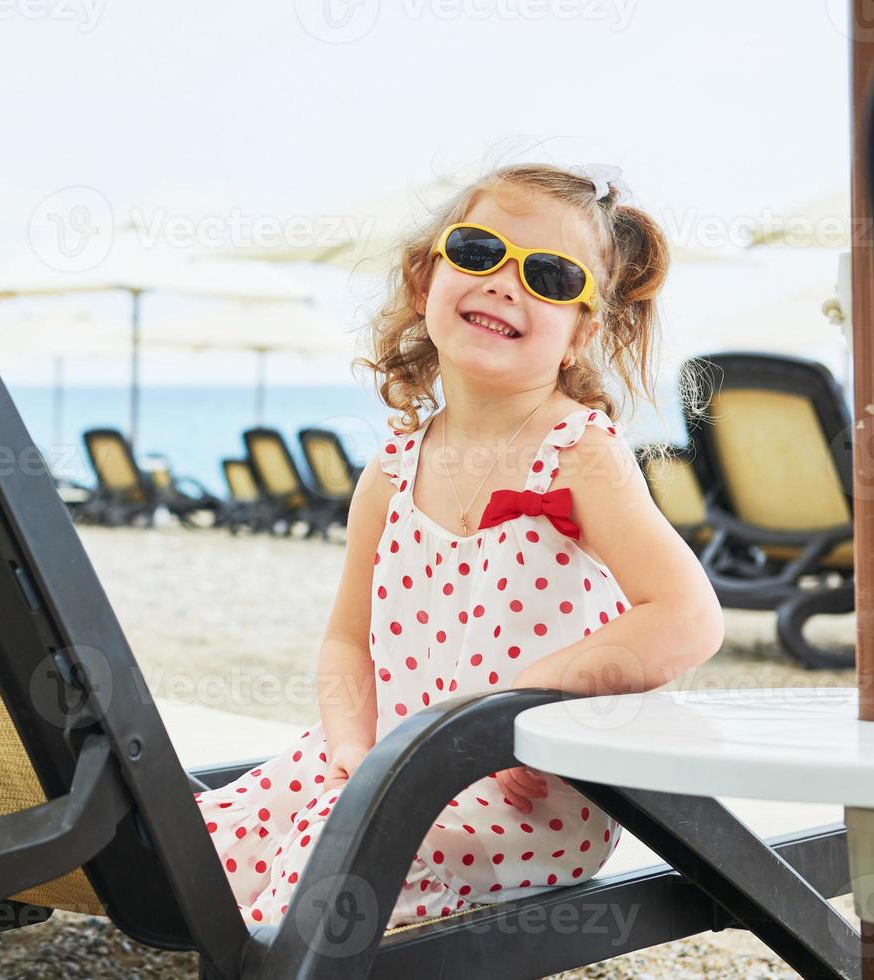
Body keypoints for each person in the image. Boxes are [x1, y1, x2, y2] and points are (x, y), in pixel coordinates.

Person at [193, 162, 725, 928]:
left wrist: (507, 711)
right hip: (381, 759)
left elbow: (685, 616)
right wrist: (348, 747)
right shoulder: (390, 471)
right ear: (423, 279)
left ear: (580, 335)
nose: (506, 283)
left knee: (331, 852)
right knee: (204, 842)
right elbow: (346, 641)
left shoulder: (578, 454)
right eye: (477, 253)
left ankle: (281, 948)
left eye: (547, 274)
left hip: (528, 800)